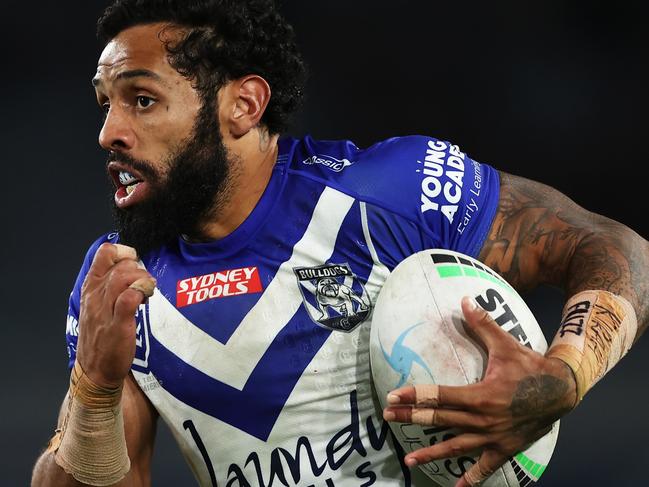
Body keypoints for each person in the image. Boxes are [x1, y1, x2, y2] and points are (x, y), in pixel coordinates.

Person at [31, 0, 648, 486]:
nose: (109, 131)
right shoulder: (119, 282)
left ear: (243, 104)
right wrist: (95, 390)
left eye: (141, 100)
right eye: (105, 103)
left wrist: (565, 375)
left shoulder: (387, 193)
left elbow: (614, 248)